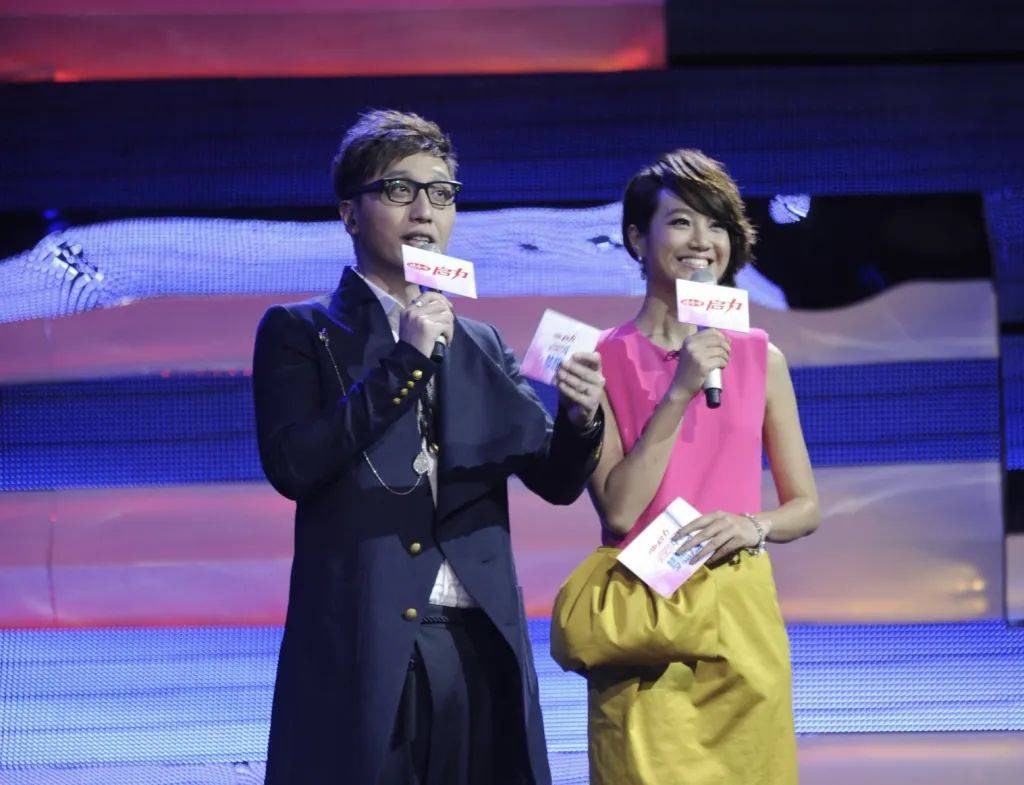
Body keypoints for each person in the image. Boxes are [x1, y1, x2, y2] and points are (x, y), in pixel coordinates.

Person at [252, 109, 606, 785]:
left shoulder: (479, 341)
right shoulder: (301, 330)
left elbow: (556, 479)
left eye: (441, 194)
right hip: (367, 637)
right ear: (350, 214)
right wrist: (405, 360)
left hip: (476, 636)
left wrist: (581, 416)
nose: (424, 211)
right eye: (399, 190)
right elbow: (295, 464)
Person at [551, 149, 820, 785]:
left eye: (716, 225)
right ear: (636, 239)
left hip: (740, 618)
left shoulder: (762, 358)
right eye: (680, 222)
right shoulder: (595, 360)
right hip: (645, 619)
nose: (702, 241)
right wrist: (680, 389)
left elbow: (805, 506)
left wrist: (753, 525)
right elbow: (620, 509)